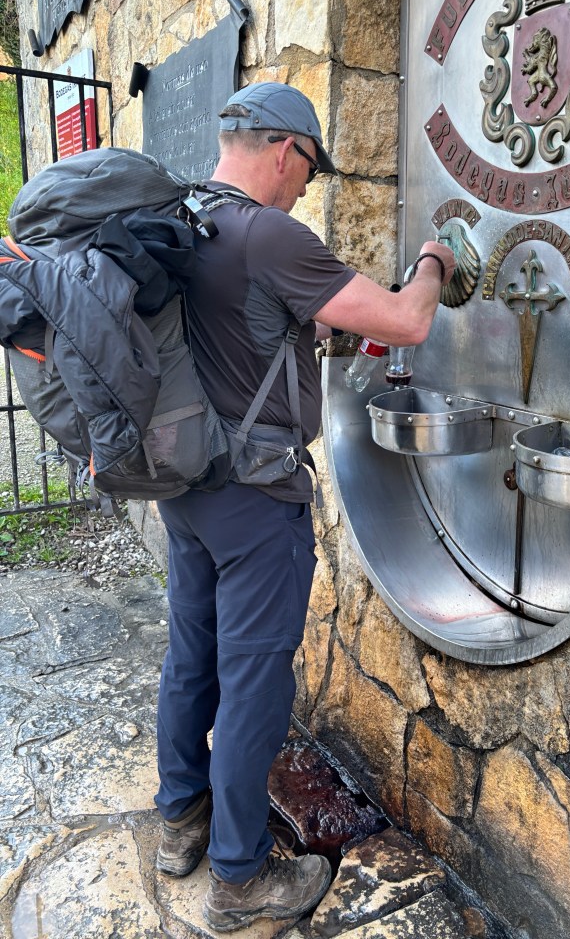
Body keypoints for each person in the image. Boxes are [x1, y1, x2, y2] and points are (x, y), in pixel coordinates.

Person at [152, 80, 455, 933]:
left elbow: (242, 327)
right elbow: (408, 322)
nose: (305, 187)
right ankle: (240, 879)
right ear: (287, 149)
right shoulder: (269, 233)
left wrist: (314, 327)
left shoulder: (186, 218)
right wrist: (435, 264)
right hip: (255, 503)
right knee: (255, 685)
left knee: (192, 657)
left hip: (187, 486)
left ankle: (180, 823)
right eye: (311, 170)